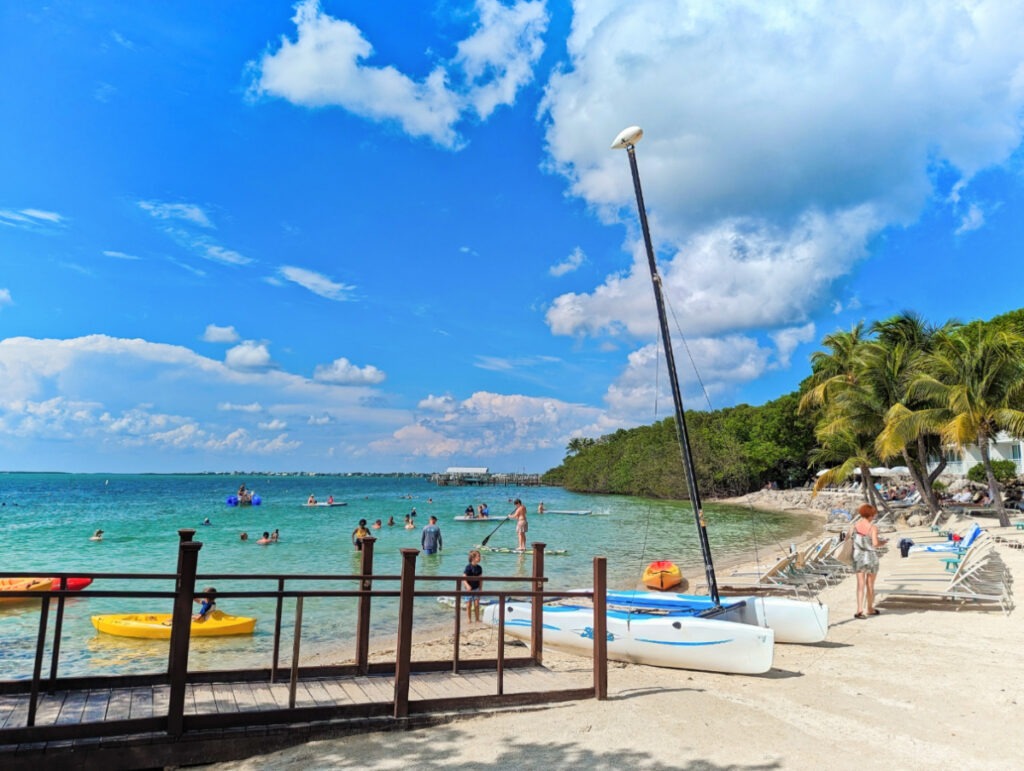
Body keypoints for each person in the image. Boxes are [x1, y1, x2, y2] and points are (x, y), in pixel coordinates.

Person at [852, 504, 888, 618]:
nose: (874, 517)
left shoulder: (854, 526)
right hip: (870, 557)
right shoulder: (873, 528)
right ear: (871, 515)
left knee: (860, 584)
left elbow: (848, 539)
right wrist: (883, 542)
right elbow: (875, 544)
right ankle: (870, 608)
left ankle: (859, 610)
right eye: (873, 515)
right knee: (870, 584)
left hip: (858, 556)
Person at [462, 550, 483, 623]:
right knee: (469, 604)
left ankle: (477, 619)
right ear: (473, 558)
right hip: (469, 589)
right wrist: (467, 585)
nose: (480, 558)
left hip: (476, 588)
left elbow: (480, 579)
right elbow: (463, 578)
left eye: (480, 556)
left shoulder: (479, 568)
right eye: (478, 556)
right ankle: (469, 619)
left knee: (477, 604)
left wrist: (480, 588)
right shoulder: (468, 567)